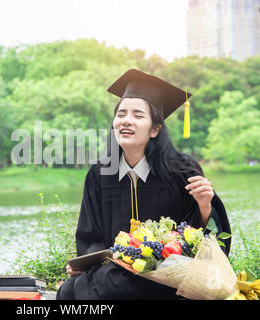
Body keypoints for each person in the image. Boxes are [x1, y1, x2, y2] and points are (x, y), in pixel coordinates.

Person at [56, 69, 231, 300]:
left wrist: (204, 205)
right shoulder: (100, 175)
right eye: (121, 114)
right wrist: (86, 262)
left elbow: (203, 240)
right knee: (69, 291)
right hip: (116, 271)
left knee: (106, 288)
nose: (126, 120)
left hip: (170, 275)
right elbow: (91, 236)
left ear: (155, 129)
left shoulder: (182, 171)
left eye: (138, 115)